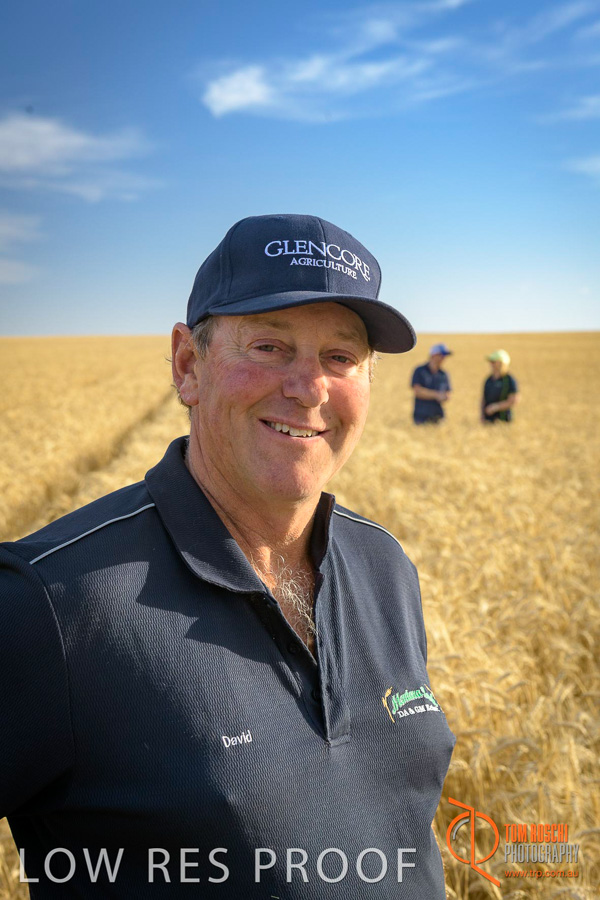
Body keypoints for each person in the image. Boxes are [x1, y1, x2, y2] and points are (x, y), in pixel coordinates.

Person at [0, 214, 455, 898]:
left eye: (341, 357)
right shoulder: (50, 604)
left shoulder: (384, 565)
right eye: (270, 347)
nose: (309, 387)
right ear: (188, 365)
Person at [411, 343, 452, 424]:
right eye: (441, 355)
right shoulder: (420, 371)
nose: (443, 358)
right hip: (421, 416)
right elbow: (417, 391)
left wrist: (444, 397)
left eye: (444, 356)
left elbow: (447, 394)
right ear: (433, 355)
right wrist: (437, 395)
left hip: (438, 416)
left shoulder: (444, 374)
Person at [482, 349, 519, 423]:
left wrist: (495, 407)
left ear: (501, 363)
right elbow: (483, 399)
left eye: (493, 362)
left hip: (503, 420)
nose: (491, 364)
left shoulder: (509, 380)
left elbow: (514, 400)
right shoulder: (489, 379)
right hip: (488, 420)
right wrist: (482, 415)